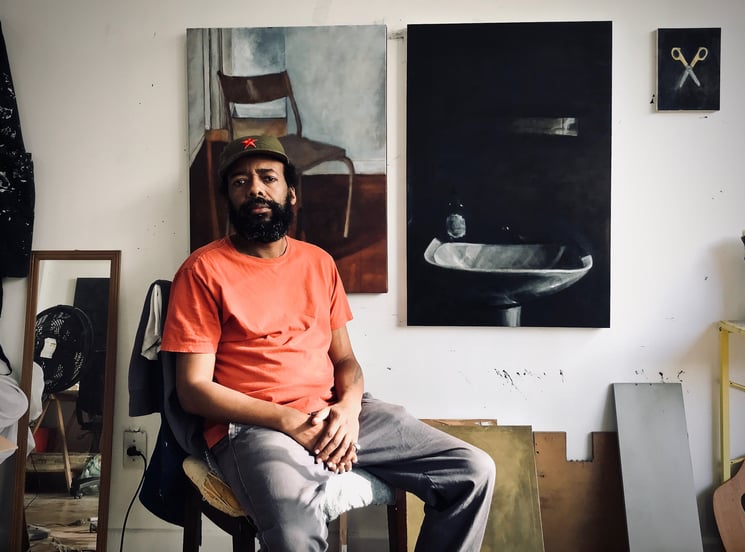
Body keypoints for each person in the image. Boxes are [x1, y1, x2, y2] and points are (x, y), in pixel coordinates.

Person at [161, 134, 495, 551]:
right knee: (294, 535)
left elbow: (346, 361)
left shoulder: (318, 262)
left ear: (291, 193)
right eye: (240, 182)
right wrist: (289, 421)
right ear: (229, 198)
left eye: (268, 177)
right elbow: (193, 389)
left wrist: (349, 410)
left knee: (471, 471)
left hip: (335, 412)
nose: (255, 189)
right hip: (256, 426)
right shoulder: (202, 270)